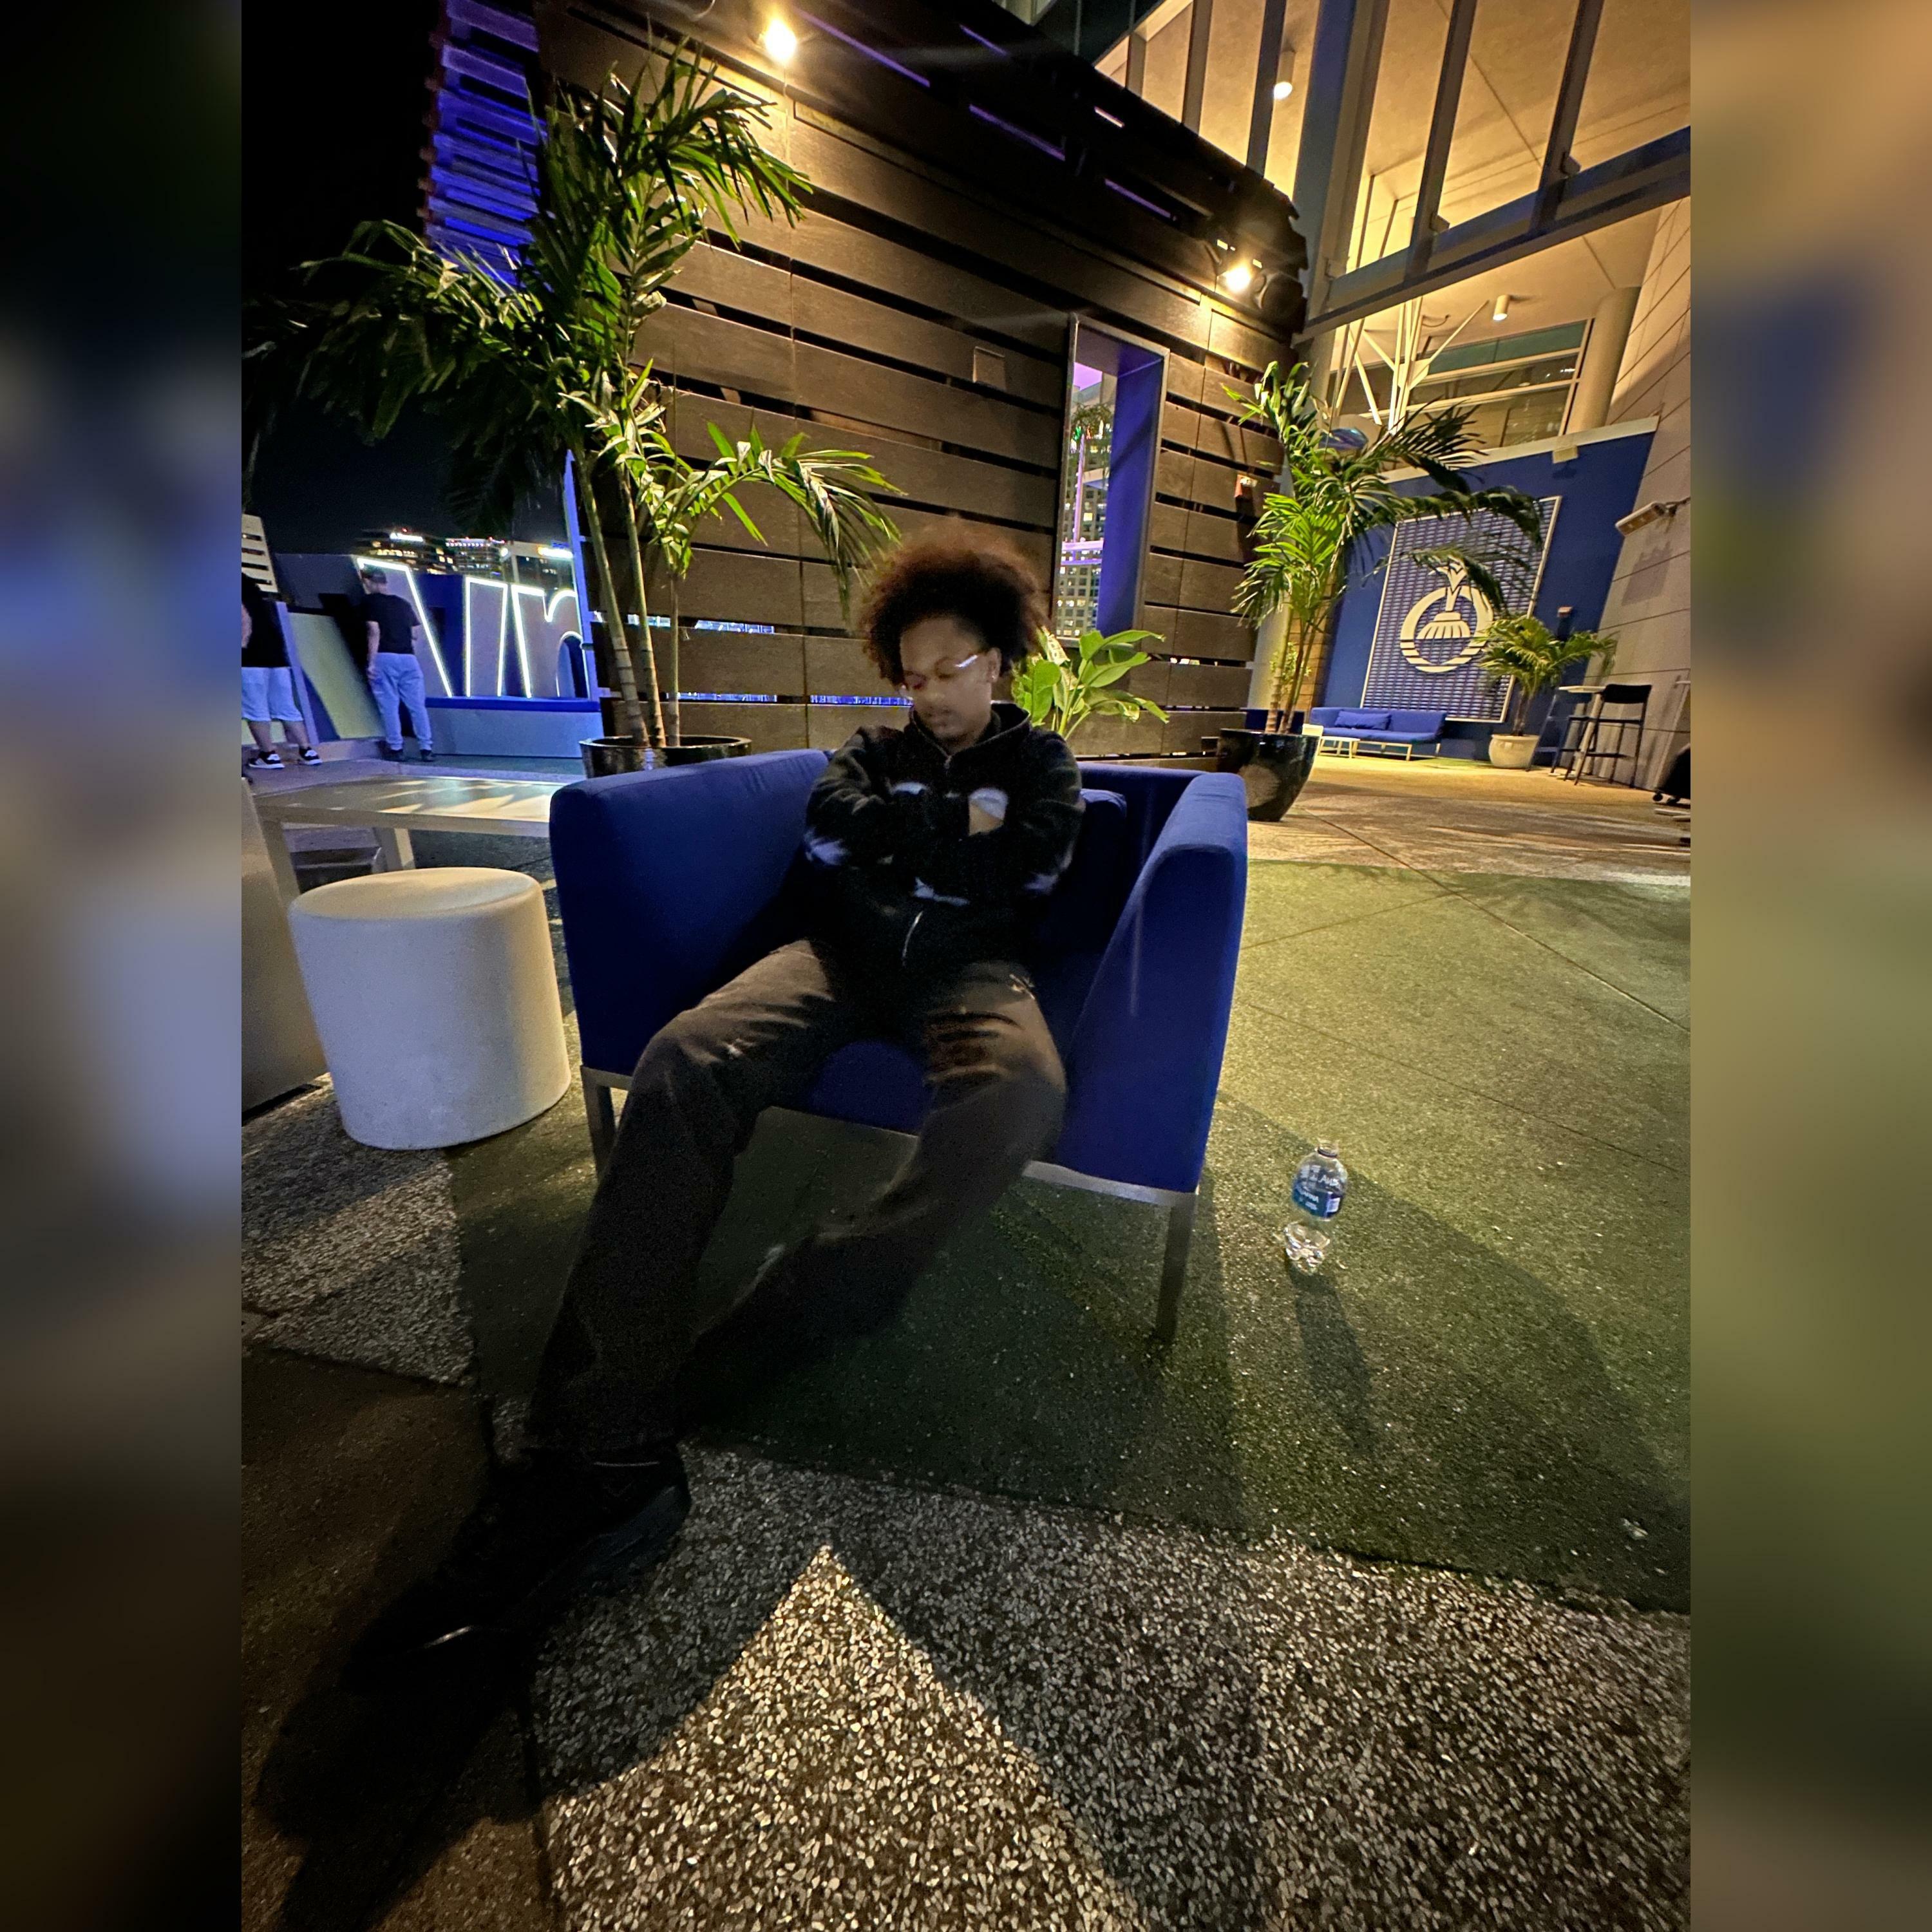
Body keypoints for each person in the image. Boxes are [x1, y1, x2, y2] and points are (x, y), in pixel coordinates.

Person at [354, 536, 1083, 1681]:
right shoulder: (869, 753)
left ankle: (832, 1283)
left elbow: (1027, 875)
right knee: (686, 1056)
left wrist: (915, 846)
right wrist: (952, 840)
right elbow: (830, 841)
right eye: (911, 675)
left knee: (1020, 1094)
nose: (929, 694)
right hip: (833, 958)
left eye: (951, 670)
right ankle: (603, 1448)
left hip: (969, 973)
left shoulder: (1043, 763)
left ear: (1000, 660)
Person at [242, 575, 319, 771]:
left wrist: (241, 647)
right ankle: (308, 751)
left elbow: (244, 620)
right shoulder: (259, 600)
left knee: (255, 708)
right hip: (276, 658)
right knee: (286, 707)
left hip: (251, 659)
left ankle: (268, 755)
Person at [359, 566, 437, 762]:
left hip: (384, 657)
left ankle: (396, 748)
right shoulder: (403, 603)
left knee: (389, 705)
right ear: (385, 582)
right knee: (417, 706)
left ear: (368, 582)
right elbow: (415, 634)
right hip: (409, 659)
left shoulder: (370, 602)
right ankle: (426, 748)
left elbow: (374, 631)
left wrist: (371, 662)